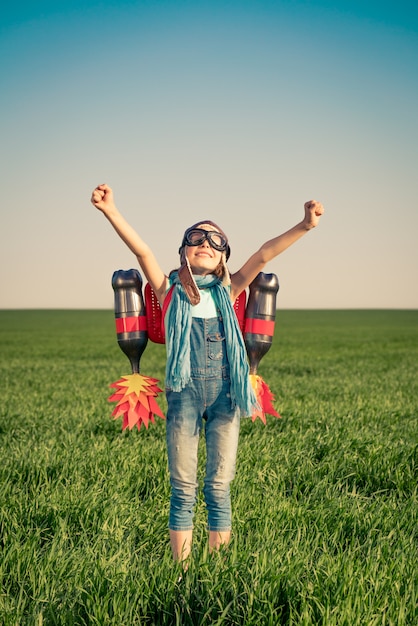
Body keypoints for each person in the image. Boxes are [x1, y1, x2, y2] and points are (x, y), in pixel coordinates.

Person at [91, 183, 324, 563]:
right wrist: (111, 210)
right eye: (195, 237)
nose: (205, 242)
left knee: (219, 485)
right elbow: (142, 250)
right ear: (183, 252)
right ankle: (181, 571)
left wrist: (305, 225)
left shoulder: (230, 290)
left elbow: (263, 255)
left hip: (226, 396)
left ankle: (216, 570)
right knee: (182, 486)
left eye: (216, 241)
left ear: (223, 259)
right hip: (182, 395)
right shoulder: (168, 290)